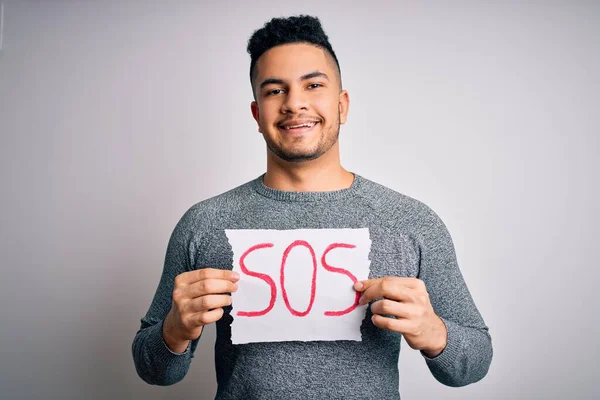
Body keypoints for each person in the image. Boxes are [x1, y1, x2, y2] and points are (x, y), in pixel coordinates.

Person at [131, 14, 493, 399]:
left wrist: (433, 331)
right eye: (274, 91)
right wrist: (174, 330)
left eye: (313, 85)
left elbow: (473, 365)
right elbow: (154, 371)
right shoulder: (203, 224)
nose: (295, 104)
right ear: (257, 115)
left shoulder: (411, 223)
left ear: (342, 105)